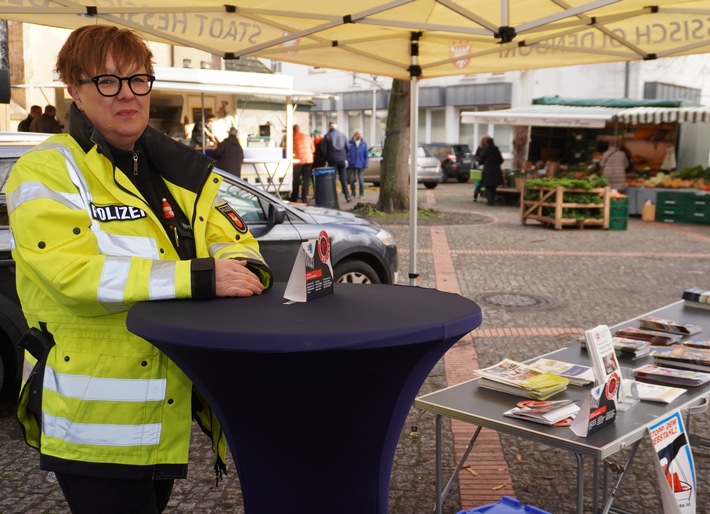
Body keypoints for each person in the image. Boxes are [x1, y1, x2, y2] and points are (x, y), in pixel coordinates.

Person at [7, 24, 272, 514]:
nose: (126, 94)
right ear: (75, 93)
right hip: (92, 420)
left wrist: (239, 266)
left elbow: (236, 239)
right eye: (106, 81)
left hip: (163, 409)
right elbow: (74, 275)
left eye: (138, 79)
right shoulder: (46, 170)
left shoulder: (174, 170)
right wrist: (200, 277)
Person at [323, 121, 350, 202]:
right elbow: (347, 147)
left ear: (329, 127)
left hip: (332, 159)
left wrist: (325, 160)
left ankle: (333, 197)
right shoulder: (343, 135)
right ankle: (347, 196)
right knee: (343, 178)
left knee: (332, 178)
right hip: (342, 159)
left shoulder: (327, 136)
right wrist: (345, 156)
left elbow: (324, 150)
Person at [289, 124, 315, 203]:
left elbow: (288, 150)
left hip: (297, 161)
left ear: (293, 130)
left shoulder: (292, 138)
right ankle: (304, 198)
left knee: (296, 180)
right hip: (308, 160)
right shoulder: (307, 136)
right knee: (306, 179)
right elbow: (313, 149)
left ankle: (294, 197)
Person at [478, 137, 504, 206]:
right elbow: (501, 160)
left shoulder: (486, 150)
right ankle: (492, 200)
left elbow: (481, 160)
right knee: (494, 186)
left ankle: (490, 201)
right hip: (496, 170)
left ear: (487, 143)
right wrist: (496, 164)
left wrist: (482, 163)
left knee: (488, 186)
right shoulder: (497, 150)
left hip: (488, 170)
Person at [346, 129, 369, 199]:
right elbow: (346, 153)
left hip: (361, 163)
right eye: (358, 134)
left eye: (360, 134)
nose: (360, 136)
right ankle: (353, 193)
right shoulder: (350, 143)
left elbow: (366, 155)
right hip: (352, 163)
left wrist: (366, 163)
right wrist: (348, 160)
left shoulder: (364, 144)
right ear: (355, 134)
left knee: (361, 179)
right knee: (351, 179)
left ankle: (361, 193)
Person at [472, 135, 489, 202]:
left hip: (488, 167)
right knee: (478, 182)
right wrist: (479, 160)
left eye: (487, 139)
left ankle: (486, 195)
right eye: (485, 139)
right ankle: (475, 195)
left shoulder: (490, 148)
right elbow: (476, 156)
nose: (486, 141)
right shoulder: (480, 148)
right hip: (481, 167)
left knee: (486, 182)